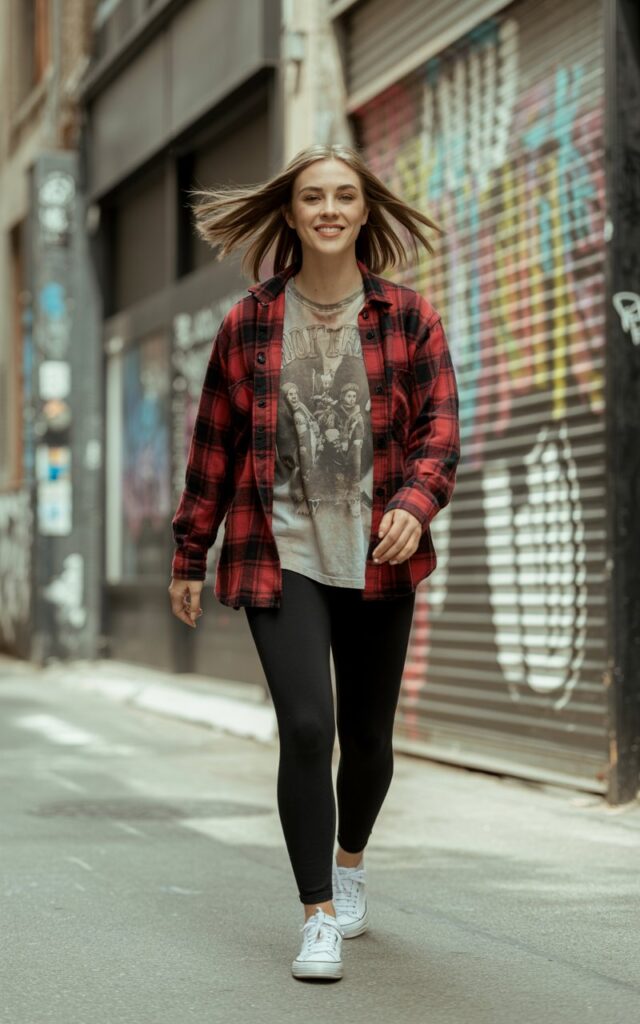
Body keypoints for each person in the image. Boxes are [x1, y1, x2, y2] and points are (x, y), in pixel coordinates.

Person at [168, 143, 460, 982]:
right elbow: (214, 447)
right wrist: (191, 549)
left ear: (365, 211)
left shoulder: (410, 317)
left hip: (378, 554)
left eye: (343, 196)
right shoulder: (251, 322)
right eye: (312, 198)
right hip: (279, 550)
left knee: (368, 740)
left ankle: (352, 860)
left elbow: (441, 430)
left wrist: (414, 503)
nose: (328, 209)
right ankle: (317, 916)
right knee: (307, 727)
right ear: (291, 214)